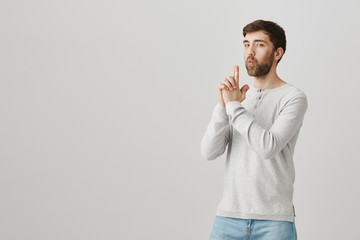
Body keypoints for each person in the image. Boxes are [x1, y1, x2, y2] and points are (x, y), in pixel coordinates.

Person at [200, 19, 308, 240]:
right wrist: (223, 106)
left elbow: (267, 146)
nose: (250, 51)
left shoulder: (293, 98)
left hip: (274, 221)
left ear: (277, 53)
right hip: (228, 217)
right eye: (246, 44)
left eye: (259, 45)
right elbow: (209, 151)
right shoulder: (237, 98)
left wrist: (233, 107)